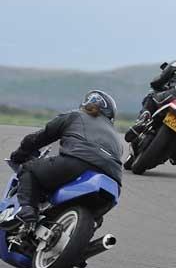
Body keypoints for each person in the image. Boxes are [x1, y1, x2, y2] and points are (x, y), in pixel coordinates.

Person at [6, 90, 123, 229]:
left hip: (77, 162)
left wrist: (19, 155)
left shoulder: (76, 115)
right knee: (95, 220)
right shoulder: (117, 137)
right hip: (113, 181)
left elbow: (39, 137)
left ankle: (26, 210)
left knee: (29, 169)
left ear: (86, 103)